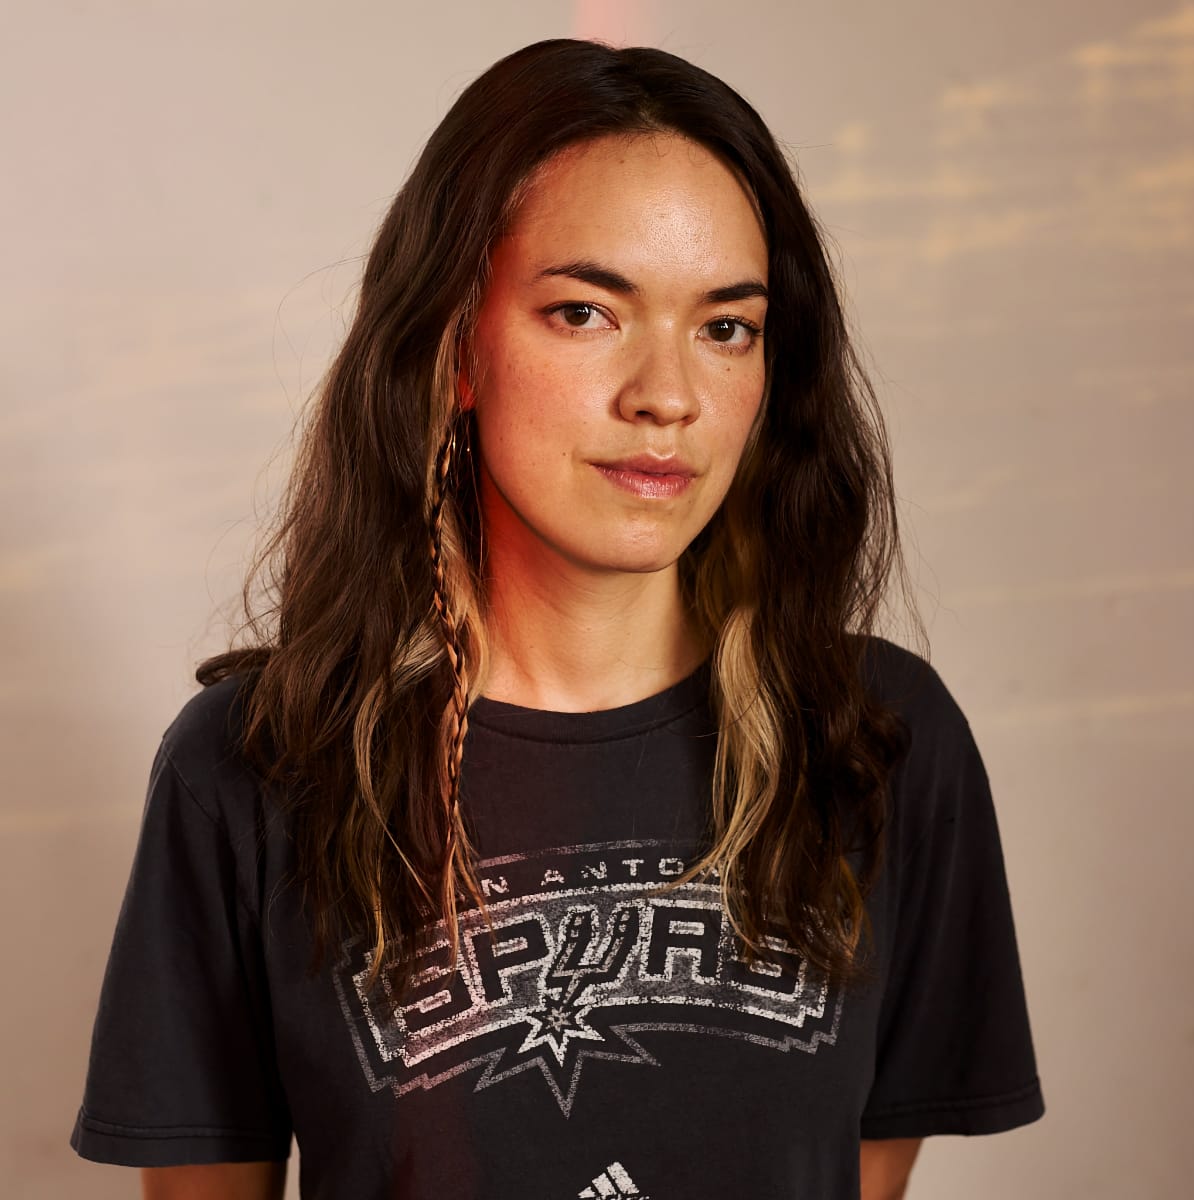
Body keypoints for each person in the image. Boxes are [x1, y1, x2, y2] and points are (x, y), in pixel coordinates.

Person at [70, 37, 1043, 1200]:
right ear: (456, 343)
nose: (667, 396)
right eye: (586, 312)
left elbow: (856, 1180)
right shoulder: (253, 767)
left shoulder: (878, 741)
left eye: (726, 327)